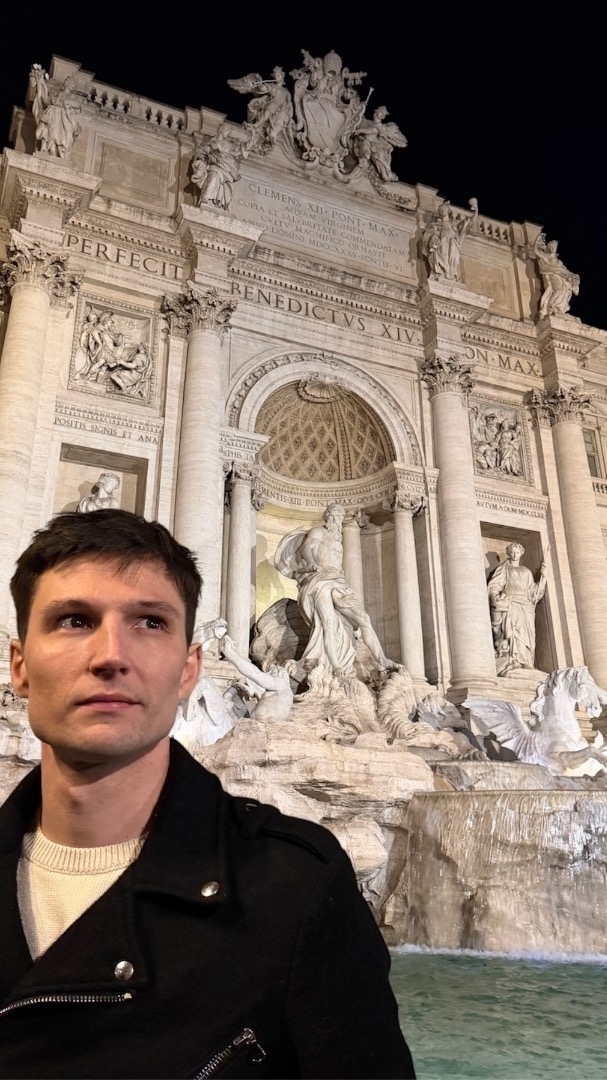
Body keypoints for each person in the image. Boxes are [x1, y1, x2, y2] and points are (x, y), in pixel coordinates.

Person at [0, 508, 415, 1079]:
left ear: (189, 670)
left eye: (150, 622)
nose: (110, 655)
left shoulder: (298, 889)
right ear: (19, 666)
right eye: (74, 620)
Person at [274, 503, 397, 682]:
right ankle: (335, 665)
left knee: (364, 618)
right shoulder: (318, 531)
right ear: (328, 517)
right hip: (320, 580)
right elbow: (306, 547)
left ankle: (381, 660)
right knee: (328, 623)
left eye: (339, 517)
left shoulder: (338, 539)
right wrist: (310, 562)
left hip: (339, 582)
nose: (336, 520)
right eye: (333, 516)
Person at [487, 542, 547, 675]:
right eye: (512, 552)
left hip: (526, 605)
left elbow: (533, 593)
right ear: (508, 553)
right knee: (514, 632)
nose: (515, 555)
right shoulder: (504, 568)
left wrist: (543, 578)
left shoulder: (526, 571)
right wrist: (494, 596)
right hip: (512, 603)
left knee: (527, 635)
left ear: (521, 553)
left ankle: (527, 662)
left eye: (517, 552)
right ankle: (513, 661)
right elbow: (495, 584)